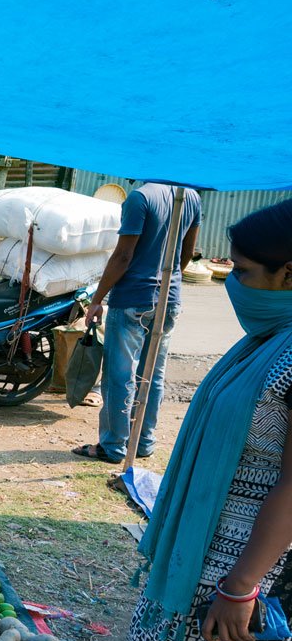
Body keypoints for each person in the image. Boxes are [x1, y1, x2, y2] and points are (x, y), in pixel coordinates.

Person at [87, 200, 292, 641]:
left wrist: (243, 584)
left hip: (252, 554)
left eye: (249, 271)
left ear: (290, 273)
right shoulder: (264, 340)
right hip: (198, 543)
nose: (234, 282)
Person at [74, 183, 202, 463]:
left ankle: (113, 446)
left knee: (120, 375)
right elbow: (187, 253)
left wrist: (97, 299)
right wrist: (167, 283)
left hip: (132, 298)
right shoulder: (191, 197)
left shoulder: (139, 198)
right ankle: (144, 442)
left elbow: (123, 256)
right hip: (169, 299)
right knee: (153, 374)